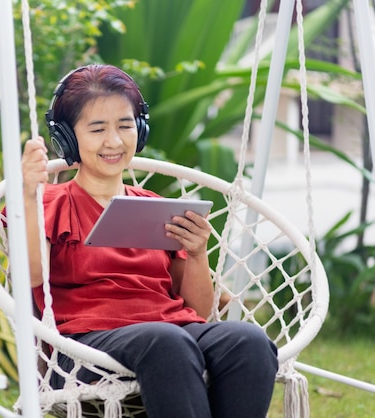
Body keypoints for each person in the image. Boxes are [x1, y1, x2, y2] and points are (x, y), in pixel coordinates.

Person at [21, 63, 278, 418]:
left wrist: (198, 252)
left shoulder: (156, 209)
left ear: (139, 130)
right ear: (67, 137)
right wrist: (28, 195)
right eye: (97, 129)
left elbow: (198, 312)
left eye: (125, 126)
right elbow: (31, 275)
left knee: (248, 341)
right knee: (167, 340)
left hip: (172, 335)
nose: (114, 141)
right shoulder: (48, 203)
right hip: (84, 347)